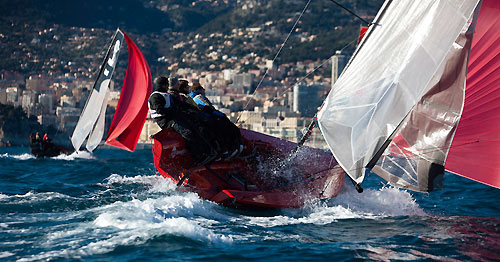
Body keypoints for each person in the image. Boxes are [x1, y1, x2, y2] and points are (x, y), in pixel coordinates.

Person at [148, 76, 218, 165]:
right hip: (166, 122)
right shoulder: (155, 96)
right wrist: (174, 110)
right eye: (166, 85)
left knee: (197, 128)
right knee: (187, 133)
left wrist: (194, 110)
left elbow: (180, 105)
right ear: (163, 85)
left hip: (174, 118)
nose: (167, 87)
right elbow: (160, 110)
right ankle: (196, 156)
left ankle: (207, 152)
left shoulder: (166, 95)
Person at [189, 82, 242, 159]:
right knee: (227, 127)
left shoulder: (193, 98)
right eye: (203, 89)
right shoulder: (199, 97)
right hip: (209, 119)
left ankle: (229, 149)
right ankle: (231, 148)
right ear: (199, 90)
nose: (204, 91)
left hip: (206, 119)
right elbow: (209, 108)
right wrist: (221, 115)